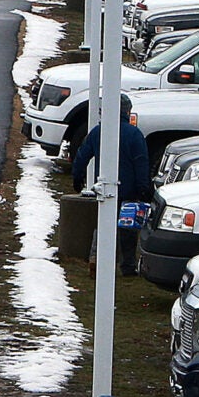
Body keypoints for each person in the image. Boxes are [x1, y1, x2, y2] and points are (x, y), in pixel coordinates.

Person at [73, 94, 156, 275]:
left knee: (102, 225)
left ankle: (96, 258)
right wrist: (144, 188)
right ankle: (127, 266)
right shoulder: (134, 134)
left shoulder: (98, 131)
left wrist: (77, 177)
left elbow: (82, 155)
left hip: (104, 186)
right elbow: (141, 162)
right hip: (129, 190)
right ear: (126, 111)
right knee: (127, 229)